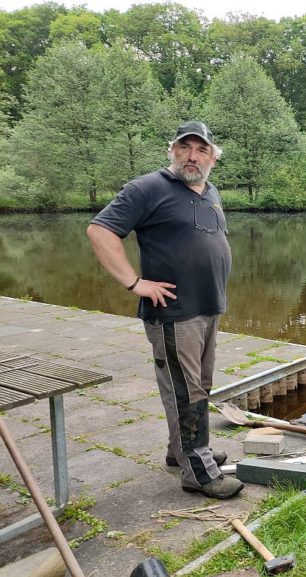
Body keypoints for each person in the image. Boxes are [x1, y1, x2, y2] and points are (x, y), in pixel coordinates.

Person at [86, 121, 244, 499]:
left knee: (199, 386)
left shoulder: (211, 192)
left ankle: (183, 451)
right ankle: (199, 473)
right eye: (185, 147)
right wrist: (135, 283)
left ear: (213, 158)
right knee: (184, 391)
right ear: (171, 151)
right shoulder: (148, 188)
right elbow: (100, 230)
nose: (193, 156)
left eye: (201, 149)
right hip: (174, 314)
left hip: (207, 308)